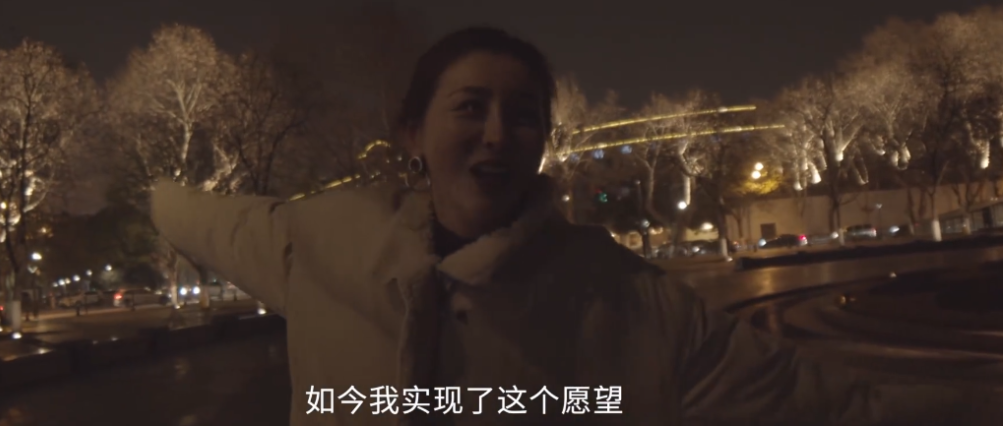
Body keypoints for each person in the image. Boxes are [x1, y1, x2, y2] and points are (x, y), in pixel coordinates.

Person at [151, 26, 1000, 425]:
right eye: (470, 107)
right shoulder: (312, 239)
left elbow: (830, 406)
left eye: (523, 115)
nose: (497, 133)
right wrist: (150, 189)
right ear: (411, 133)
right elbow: (188, 211)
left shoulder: (628, 300)